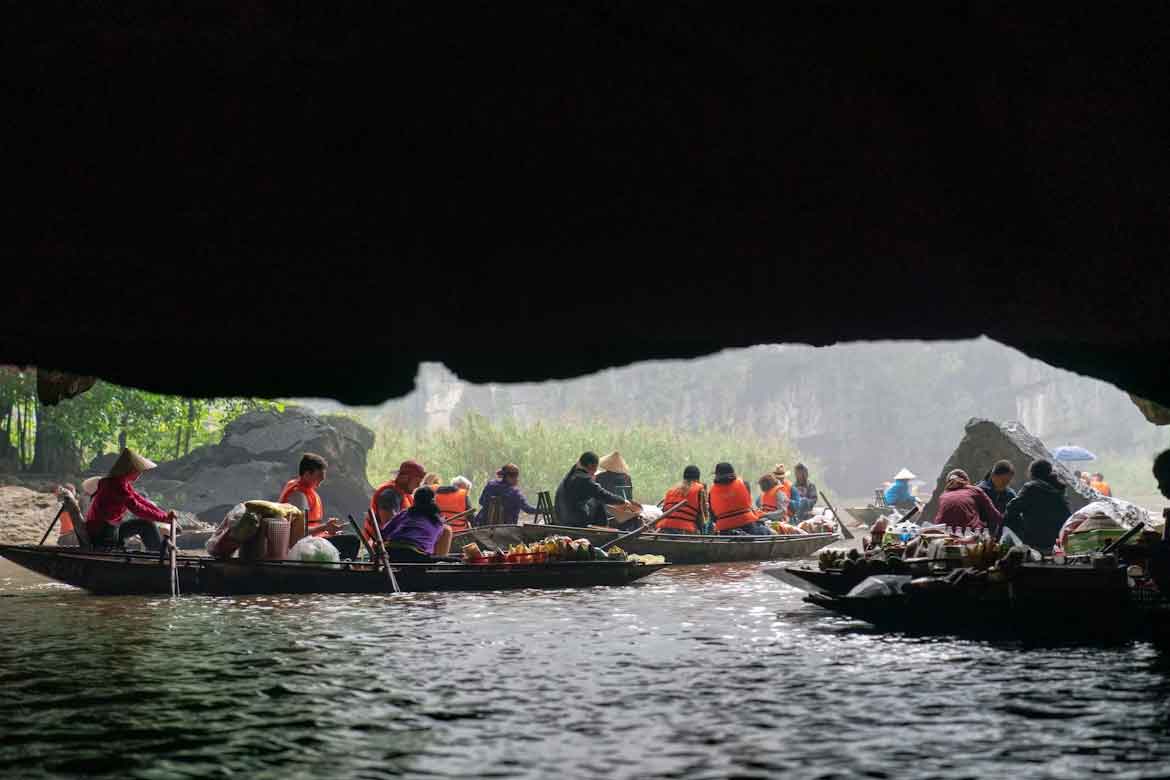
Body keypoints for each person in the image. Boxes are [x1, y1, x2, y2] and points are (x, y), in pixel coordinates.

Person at [82, 448, 175, 551]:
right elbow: (137, 508)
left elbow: (140, 500)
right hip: (102, 533)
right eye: (137, 470)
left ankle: (160, 554)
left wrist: (165, 515)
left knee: (146, 524)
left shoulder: (122, 482)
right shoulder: (115, 485)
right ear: (129, 469)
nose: (140, 474)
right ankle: (160, 556)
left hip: (110, 528)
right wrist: (164, 518)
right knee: (146, 525)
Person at [554, 451, 639, 528]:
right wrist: (623, 501)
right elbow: (603, 495)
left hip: (561, 515)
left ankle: (601, 527)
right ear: (591, 465)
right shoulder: (584, 479)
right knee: (598, 501)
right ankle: (602, 531)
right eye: (596, 467)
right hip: (573, 520)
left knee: (595, 501)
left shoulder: (573, 473)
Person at [1002, 459, 1072, 553]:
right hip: (1056, 544)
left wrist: (1021, 529)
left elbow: (1011, 510)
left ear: (1032, 473)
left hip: (1034, 543)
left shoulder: (1031, 487)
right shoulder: (1060, 489)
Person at [278, 453, 345, 537]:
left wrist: (328, 531)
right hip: (302, 544)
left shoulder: (302, 489)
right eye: (318, 477)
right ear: (307, 474)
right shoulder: (298, 496)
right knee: (351, 540)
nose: (319, 484)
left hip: (313, 539)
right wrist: (325, 527)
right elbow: (299, 532)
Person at [381, 487, 453, 562]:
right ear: (433, 501)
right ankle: (439, 566)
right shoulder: (438, 521)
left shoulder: (404, 513)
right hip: (415, 555)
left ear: (414, 501)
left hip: (389, 552)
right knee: (447, 530)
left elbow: (383, 533)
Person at [709, 462, 774, 536]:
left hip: (725, 529)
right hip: (746, 524)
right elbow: (749, 505)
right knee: (766, 531)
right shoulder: (744, 483)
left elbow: (713, 517)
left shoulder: (711, 491)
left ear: (717, 475)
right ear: (733, 473)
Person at [367, 460, 426, 540]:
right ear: (405, 478)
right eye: (417, 481)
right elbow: (389, 528)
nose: (418, 485)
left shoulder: (404, 495)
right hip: (387, 546)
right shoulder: (389, 495)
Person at [934, 468, 1003, 534]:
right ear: (966, 480)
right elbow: (993, 513)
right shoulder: (974, 490)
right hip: (968, 533)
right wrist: (1003, 520)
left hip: (942, 533)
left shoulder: (943, 495)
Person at [474, 464, 539, 526]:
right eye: (516, 476)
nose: (517, 479)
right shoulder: (515, 493)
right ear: (508, 477)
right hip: (506, 528)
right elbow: (528, 510)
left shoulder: (490, 485)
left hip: (483, 524)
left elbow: (481, 501)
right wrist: (544, 510)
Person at [657, 465, 709, 534]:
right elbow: (704, 517)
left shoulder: (671, 490)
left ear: (684, 477)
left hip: (664, 529)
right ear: (698, 479)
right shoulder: (699, 488)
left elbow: (664, 511)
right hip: (685, 530)